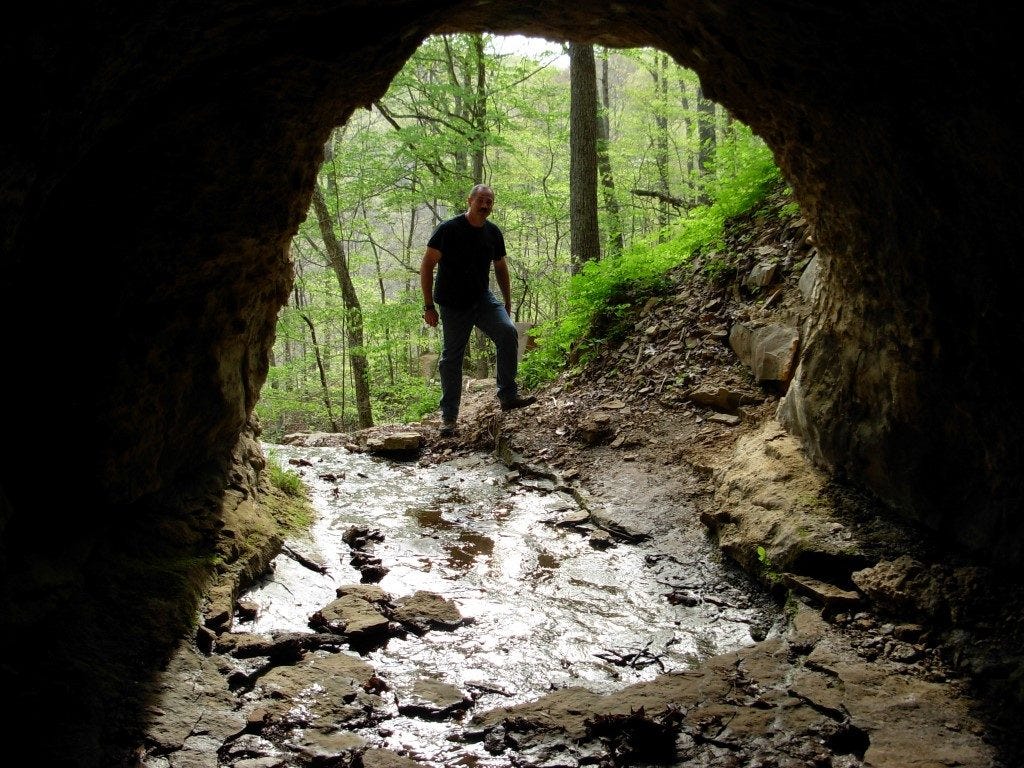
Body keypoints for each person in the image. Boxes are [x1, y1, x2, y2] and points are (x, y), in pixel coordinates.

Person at [421, 184, 536, 436]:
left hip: (482, 298)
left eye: (489, 202)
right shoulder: (448, 230)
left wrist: (507, 301)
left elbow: (501, 266)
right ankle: (449, 418)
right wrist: (429, 306)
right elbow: (427, 265)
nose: (485, 206)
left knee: (507, 332)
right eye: (481, 201)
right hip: (452, 303)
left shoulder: (493, 232)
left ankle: (508, 395)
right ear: (469, 200)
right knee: (451, 358)